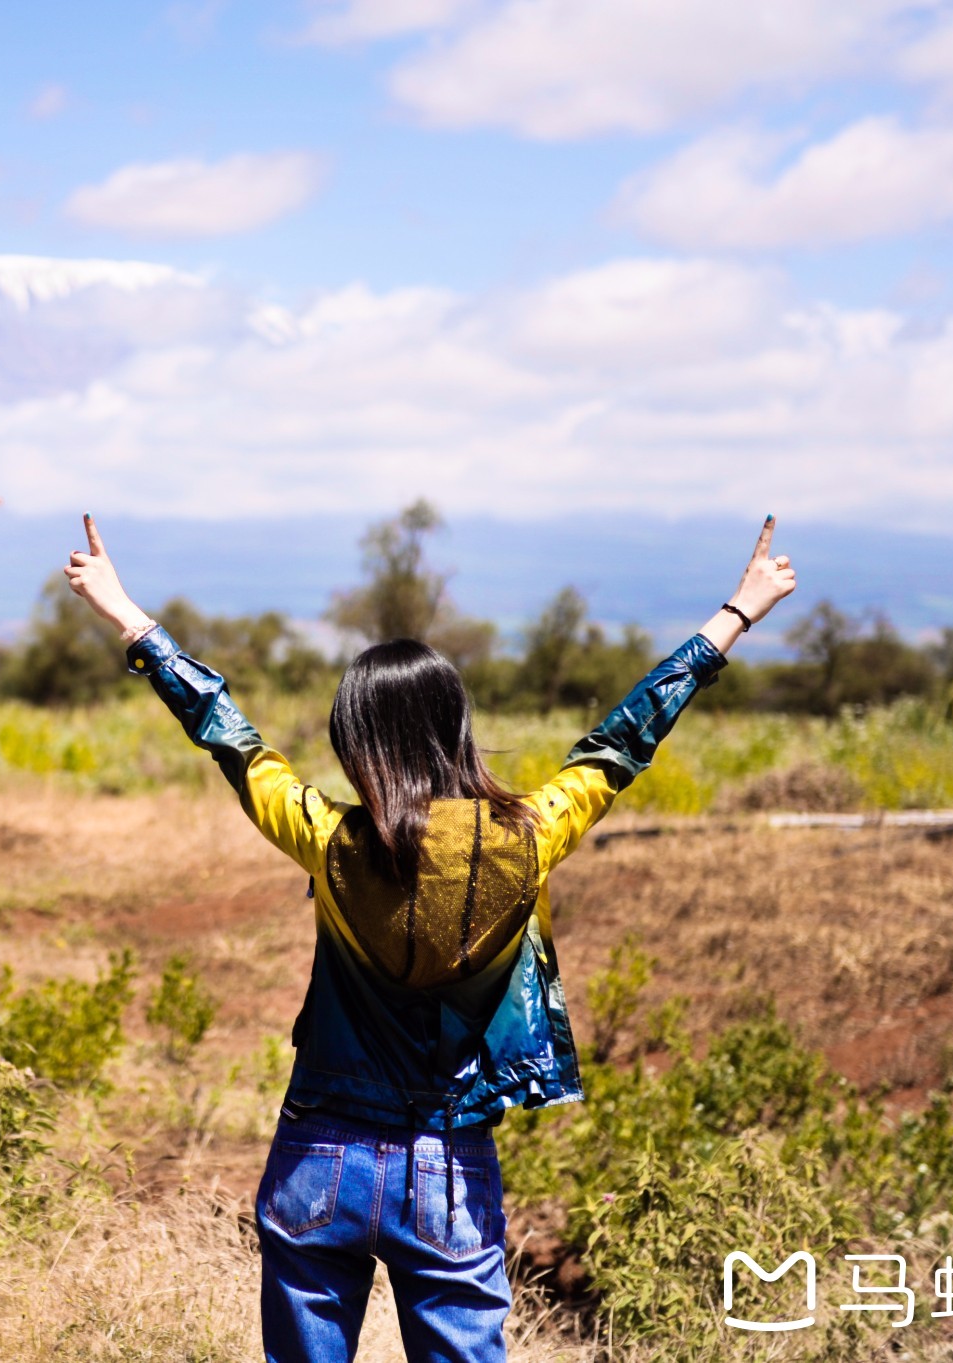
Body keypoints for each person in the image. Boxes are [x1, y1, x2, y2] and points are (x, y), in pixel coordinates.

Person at [63, 514, 798, 1363]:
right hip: (446, 1164)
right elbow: (625, 738)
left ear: (356, 741)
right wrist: (737, 613)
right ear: (456, 729)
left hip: (320, 1152)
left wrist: (128, 617)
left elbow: (229, 733)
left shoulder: (324, 837)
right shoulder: (533, 834)